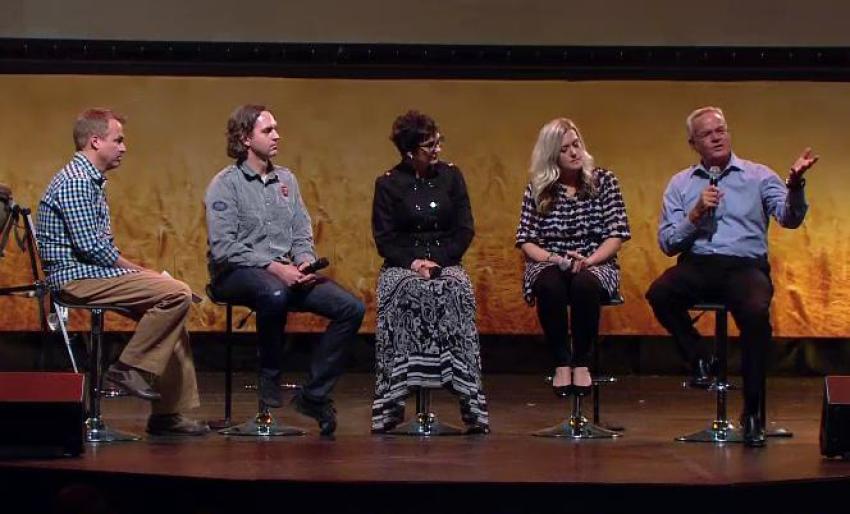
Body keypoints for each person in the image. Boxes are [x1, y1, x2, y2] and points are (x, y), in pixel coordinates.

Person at [645, 106, 818, 446]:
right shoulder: (681, 184)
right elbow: (667, 243)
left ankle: (752, 413)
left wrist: (796, 185)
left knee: (755, 314)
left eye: (721, 130)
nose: (717, 137)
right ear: (693, 143)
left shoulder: (758, 176)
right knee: (660, 293)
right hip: (698, 263)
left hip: (745, 266)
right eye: (707, 134)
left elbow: (790, 218)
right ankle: (699, 356)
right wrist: (695, 214)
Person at [36, 108, 207, 436]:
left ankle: (167, 415)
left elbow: (99, 248)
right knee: (176, 293)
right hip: (76, 278)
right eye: (118, 140)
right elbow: (93, 249)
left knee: (173, 312)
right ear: (95, 141)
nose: (124, 148)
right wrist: (145, 274)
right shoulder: (76, 181)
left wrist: (147, 278)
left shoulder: (91, 180)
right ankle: (128, 368)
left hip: (90, 274)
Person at [205, 104, 365, 436]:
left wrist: (304, 260)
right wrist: (275, 267)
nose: (277, 135)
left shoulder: (287, 180)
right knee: (274, 292)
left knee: (351, 308)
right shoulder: (226, 184)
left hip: (284, 273)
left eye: (276, 128)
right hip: (235, 273)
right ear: (245, 138)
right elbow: (224, 247)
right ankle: (269, 380)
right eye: (268, 130)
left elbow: (301, 232)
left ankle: (314, 395)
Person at [370, 110, 489, 434]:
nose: (437, 149)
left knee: (456, 290)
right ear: (409, 151)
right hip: (402, 265)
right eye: (429, 145)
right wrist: (415, 264)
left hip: (445, 262)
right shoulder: (388, 183)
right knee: (406, 290)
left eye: (438, 142)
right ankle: (395, 400)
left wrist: (437, 261)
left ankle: (469, 402)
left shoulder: (452, 177)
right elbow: (385, 239)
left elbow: (464, 229)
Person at [515, 118, 631, 398]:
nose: (574, 153)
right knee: (549, 285)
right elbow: (526, 240)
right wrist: (555, 259)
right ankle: (560, 362)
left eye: (576, 145)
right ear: (551, 155)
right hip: (549, 259)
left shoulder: (604, 181)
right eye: (564, 149)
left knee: (584, 284)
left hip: (596, 260)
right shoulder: (538, 188)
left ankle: (581, 362)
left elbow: (616, 234)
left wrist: (589, 260)